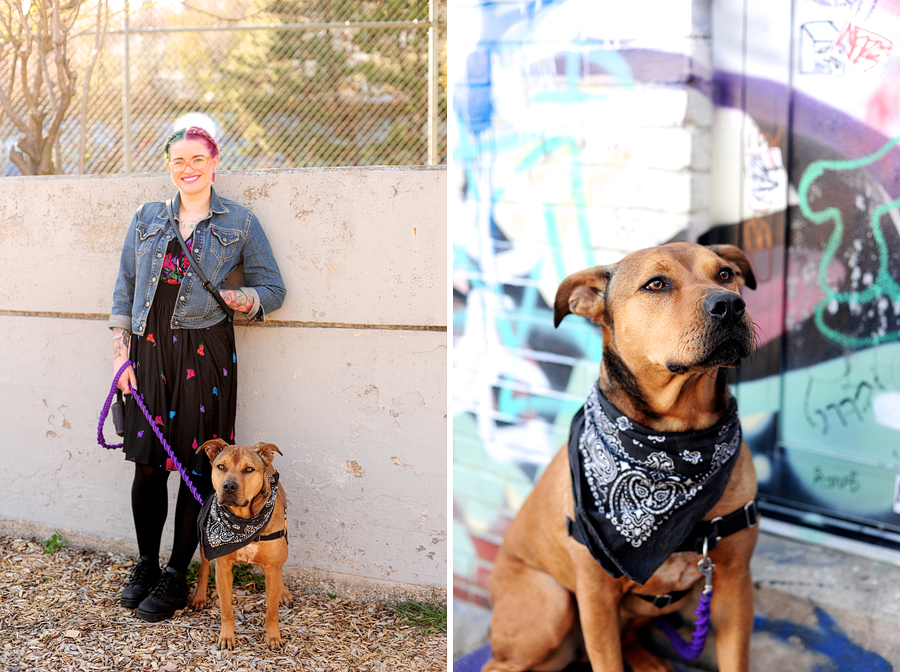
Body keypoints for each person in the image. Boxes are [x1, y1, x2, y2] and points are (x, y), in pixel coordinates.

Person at [108, 126, 286, 622]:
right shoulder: (147, 217)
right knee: (147, 463)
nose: (187, 168)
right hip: (147, 350)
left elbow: (272, 289)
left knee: (191, 469)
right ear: (169, 166)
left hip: (205, 351)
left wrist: (236, 299)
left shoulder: (240, 221)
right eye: (177, 161)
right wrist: (121, 358)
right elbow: (125, 288)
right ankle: (145, 565)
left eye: (196, 159)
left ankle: (177, 574)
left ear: (213, 162)